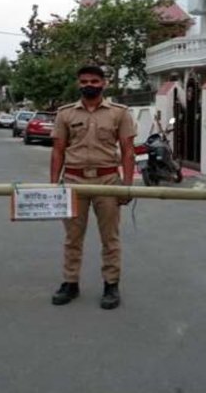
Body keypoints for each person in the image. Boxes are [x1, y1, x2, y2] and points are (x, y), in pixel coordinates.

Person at [49, 65, 135, 310]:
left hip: (107, 181)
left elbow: (128, 151)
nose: (89, 85)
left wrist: (128, 186)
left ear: (103, 83)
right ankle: (70, 282)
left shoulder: (119, 113)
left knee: (110, 238)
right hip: (74, 181)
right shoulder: (65, 113)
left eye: (94, 81)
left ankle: (111, 284)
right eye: (84, 81)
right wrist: (53, 186)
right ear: (79, 84)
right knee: (72, 238)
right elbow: (58, 151)